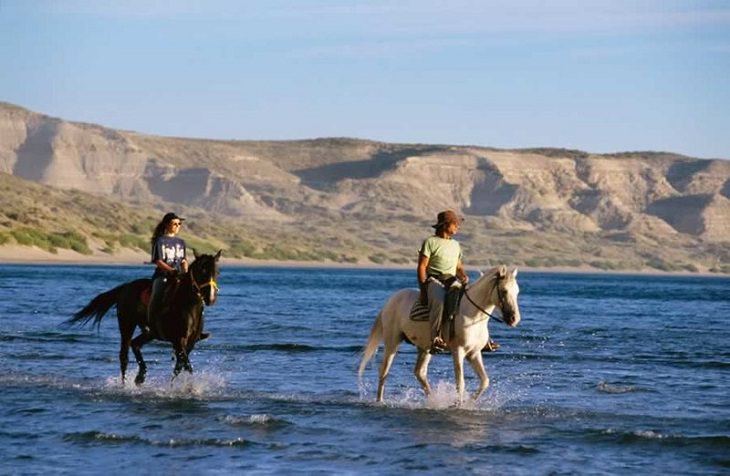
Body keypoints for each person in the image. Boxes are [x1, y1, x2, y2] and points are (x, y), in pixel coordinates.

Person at [146, 212, 208, 340]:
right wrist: (171, 270)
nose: (177, 226)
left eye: (179, 224)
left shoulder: (181, 242)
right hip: (163, 276)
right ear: (166, 225)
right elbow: (157, 260)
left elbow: (184, 260)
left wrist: (185, 272)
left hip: (180, 276)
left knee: (197, 298)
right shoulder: (160, 241)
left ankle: (197, 329)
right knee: (157, 294)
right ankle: (151, 324)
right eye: (175, 224)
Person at [417, 210, 470, 352]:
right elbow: (422, 266)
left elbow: (458, 266)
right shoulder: (430, 242)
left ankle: (477, 338)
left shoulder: (456, 245)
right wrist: (423, 289)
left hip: (451, 280)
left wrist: (463, 275)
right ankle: (435, 338)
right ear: (445, 225)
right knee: (439, 300)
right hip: (434, 279)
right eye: (455, 224)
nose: (458, 226)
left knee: (470, 300)